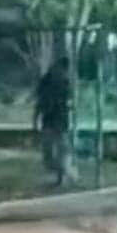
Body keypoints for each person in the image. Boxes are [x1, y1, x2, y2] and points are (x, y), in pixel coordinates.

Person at [34, 57, 72, 186]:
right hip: (49, 120)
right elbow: (39, 102)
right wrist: (36, 118)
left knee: (62, 149)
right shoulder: (46, 81)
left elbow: (68, 102)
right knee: (48, 152)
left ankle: (62, 175)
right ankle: (61, 171)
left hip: (60, 121)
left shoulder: (65, 83)